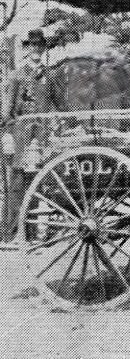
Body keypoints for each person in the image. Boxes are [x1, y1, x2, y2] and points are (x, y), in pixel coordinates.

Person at [2, 29, 48, 240]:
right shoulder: (16, 75)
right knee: (17, 184)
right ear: (27, 48)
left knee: (37, 182)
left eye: (40, 46)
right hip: (20, 135)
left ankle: (29, 234)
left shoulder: (49, 76)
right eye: (32, 46)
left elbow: (59, 104)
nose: (36, 49)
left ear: (43, 48)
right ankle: (12, 234)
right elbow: (7, 110)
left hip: (42, 136)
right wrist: (8, 134)